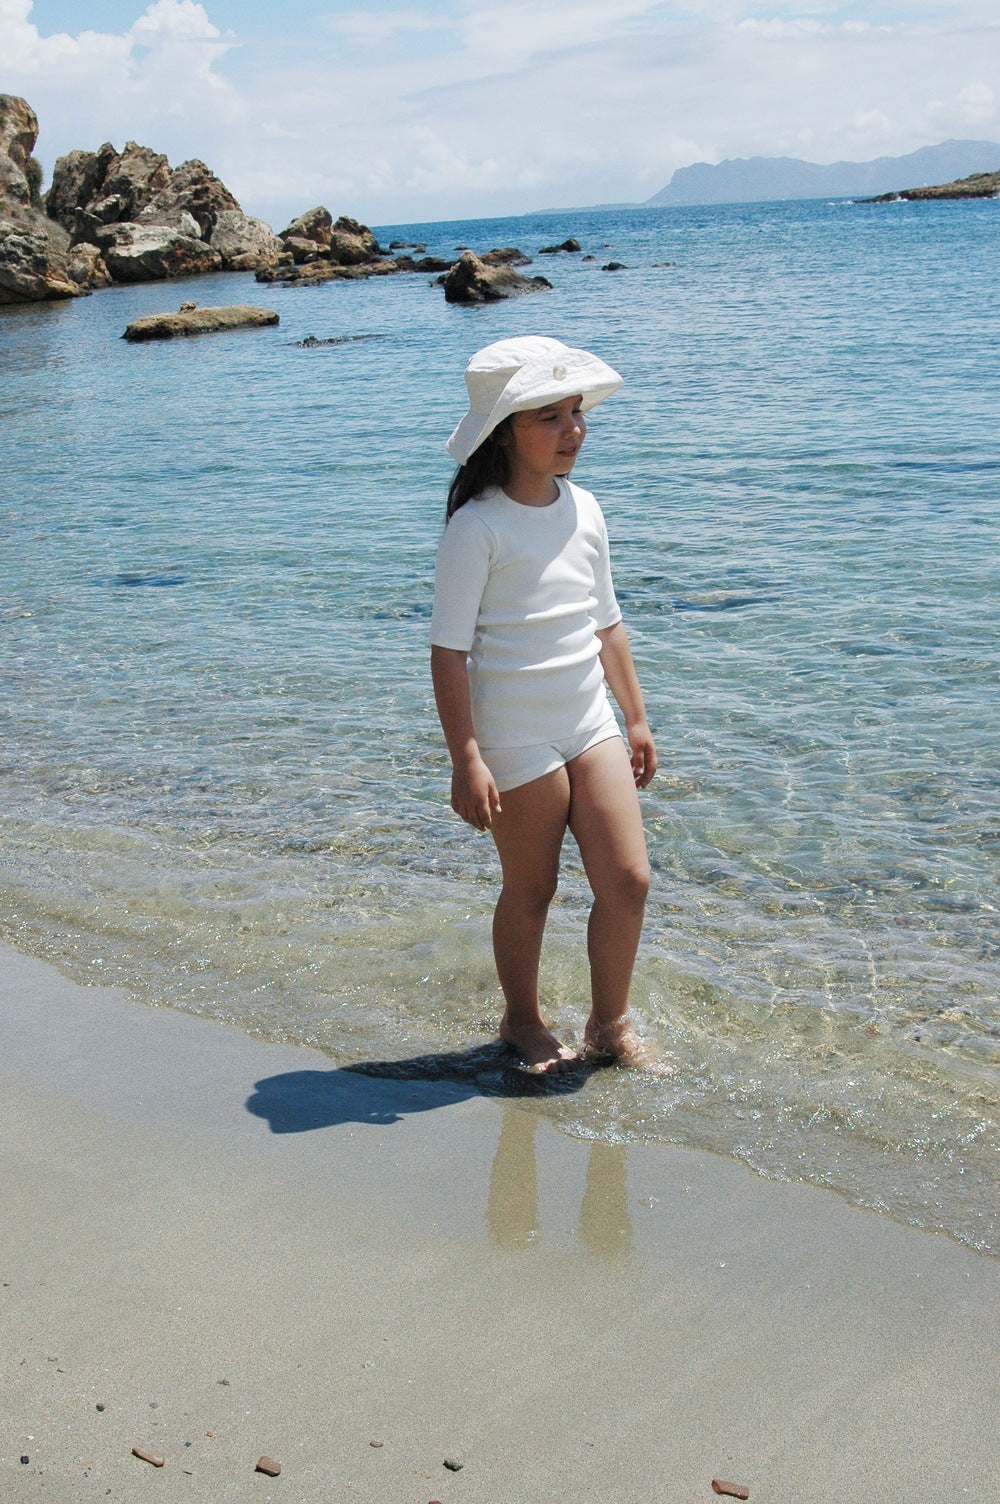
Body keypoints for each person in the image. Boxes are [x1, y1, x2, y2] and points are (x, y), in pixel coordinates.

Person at [430, 336, 664, 1076]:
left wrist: (635, 715)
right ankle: (522, 1019)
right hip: (515, 734)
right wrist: (466, 758)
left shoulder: (586, 508)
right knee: (533, 887)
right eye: (549, 418)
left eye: (576, 414)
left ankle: (608, 1024)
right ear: (504, 432)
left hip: (588, 719)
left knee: (628, 879)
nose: (572, 431)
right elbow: (448, 651)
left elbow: (607, 621)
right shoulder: (478, 527)